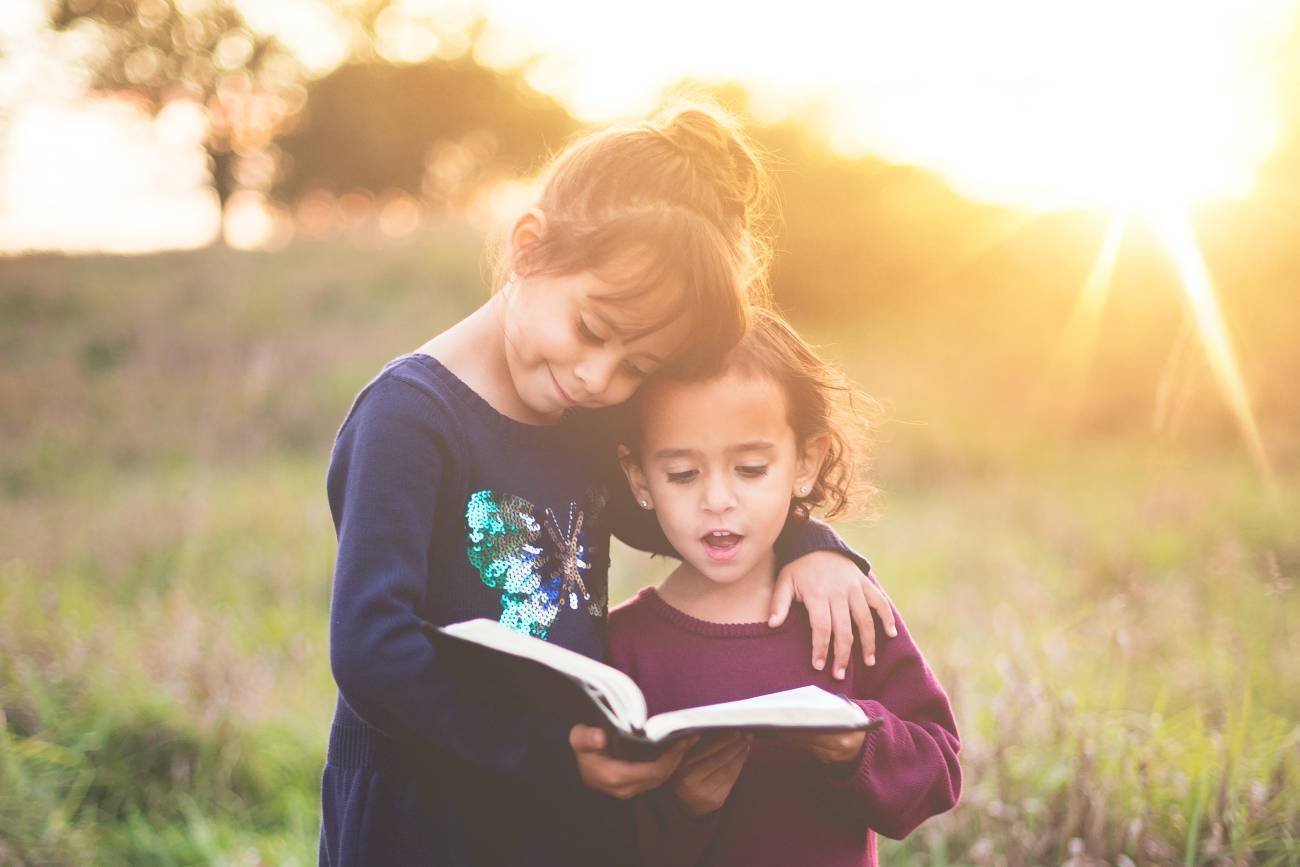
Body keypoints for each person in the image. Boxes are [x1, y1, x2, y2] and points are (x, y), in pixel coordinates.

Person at [317, 103, 896, 866]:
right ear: (529, 248)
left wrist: (810, 544)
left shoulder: (584, 417)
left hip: (560, 804)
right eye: (593, 330)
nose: (600, 377)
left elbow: (689, 519)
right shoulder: (409, 418)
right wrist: (552, 753)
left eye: (639, 367)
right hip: (425, 806)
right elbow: (370, 650)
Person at [609, 307, 962, 867]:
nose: (717, 499)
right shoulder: (623, 646)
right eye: (683, 474)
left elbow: (938, 772)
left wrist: (857, 744)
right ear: (639, 478)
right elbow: (594, 832)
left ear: (805, 461)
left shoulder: (843, 607)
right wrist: (683, 807)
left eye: (750, 468)